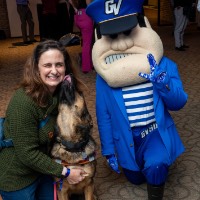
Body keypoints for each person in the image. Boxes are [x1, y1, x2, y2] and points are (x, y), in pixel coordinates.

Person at [86, 0, 188, 199]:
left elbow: (179, 102)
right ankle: (140, 166)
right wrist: (108, 149)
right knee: (135, 177)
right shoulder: (104, 79)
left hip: (154, 133)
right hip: (126, 138)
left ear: (144, 25)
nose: (123, 43)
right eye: (112, 36)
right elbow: (104, 114)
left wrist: (163, 83)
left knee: (156, 168)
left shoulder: (164, 66)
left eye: (129, 32)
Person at [0, 40, 87, 200]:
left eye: (59, 65)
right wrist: (66, 172)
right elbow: (27, 153)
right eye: (47, 65)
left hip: (44, 169)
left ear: (65, 67)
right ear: (36, 68)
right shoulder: (23, 102)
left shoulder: (61, 93)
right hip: (18, 176)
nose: (54, 71)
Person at [68, 0, 94, 73]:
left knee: (88, 42)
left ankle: (90, 64)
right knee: (87, 44)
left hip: (78, 16)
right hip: (86, 17)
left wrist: (76, 9)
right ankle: (86, 67)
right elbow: (90, 7)